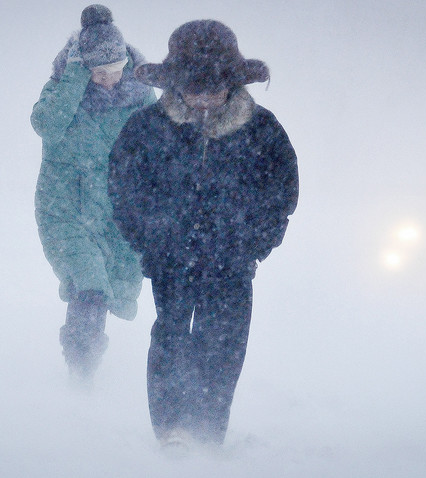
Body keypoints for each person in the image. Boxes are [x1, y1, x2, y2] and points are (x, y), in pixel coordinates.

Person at [108, 20, 299, 447]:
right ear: (175, 86)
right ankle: (171, 429)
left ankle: (209, 430)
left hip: (232, 259)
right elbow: (124, 188)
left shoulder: (262, 129)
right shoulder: (147, 129)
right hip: (170, 256)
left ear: (233, 85)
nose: (205, 98)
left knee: (224, 342)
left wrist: (255, 242)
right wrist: (149, 239)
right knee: (172, 336)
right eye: (195, 87)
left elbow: (281, 191)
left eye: (215, 88)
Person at [30, 4, 155, 385]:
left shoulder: (140, 96)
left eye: (115, 72)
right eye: (99, 73)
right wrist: (73, 79)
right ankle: (80, 372)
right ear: (84, 68)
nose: (108, 81)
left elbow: (158, 144)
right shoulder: (63, 91)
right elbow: (44, 125)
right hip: (65, 211)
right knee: (91, 286)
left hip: (115, 212)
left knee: (112, 287)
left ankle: (86, 368)